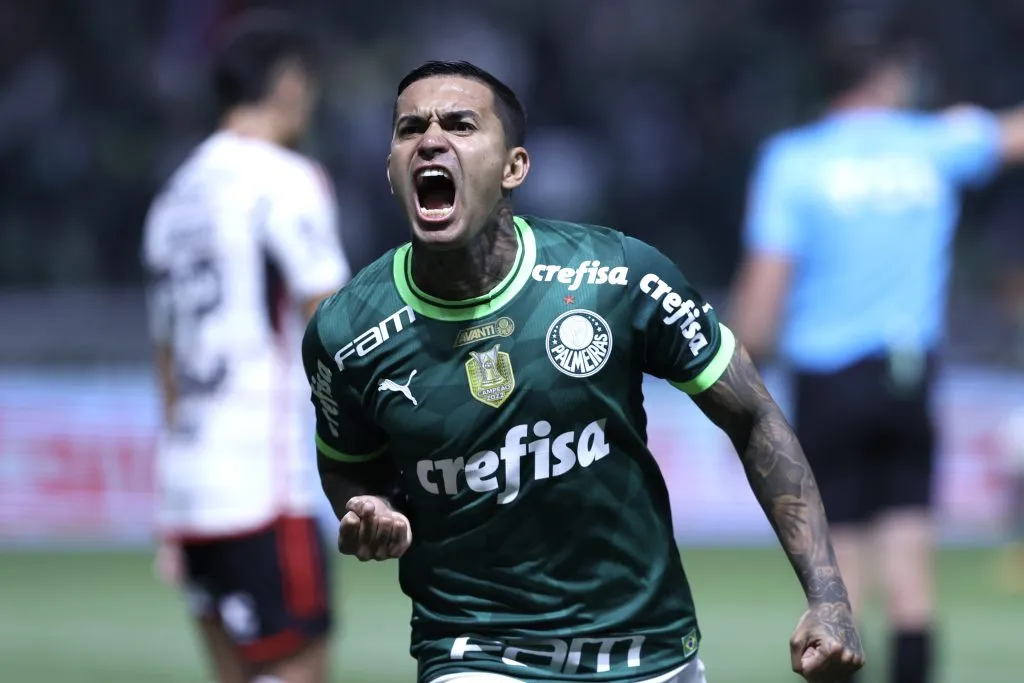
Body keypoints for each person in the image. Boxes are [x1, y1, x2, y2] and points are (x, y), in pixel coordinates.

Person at [302, 59, 864, 683]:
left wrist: (829, 597)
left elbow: (754, 415)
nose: (431, 140)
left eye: (460, 124)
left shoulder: (619, 276)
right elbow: (344, 462)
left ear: (514, 166)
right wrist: (365, 505)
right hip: (474, 651)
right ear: (391, 170)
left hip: (649, 654)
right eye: (410, 129)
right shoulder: (346, 332)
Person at [728, 15, 1024, 683]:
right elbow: (1013, 136)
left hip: (827, 376)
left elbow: (766, 286)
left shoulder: (794, 159)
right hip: (905, 371)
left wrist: (742, 379)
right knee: (913, 570)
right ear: (888, 77)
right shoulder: (931, 143)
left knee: (840, 578)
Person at [142, 11, 349, 683]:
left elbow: (166, 358)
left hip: (190, 480)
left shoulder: (173, 200)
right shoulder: (282, 179)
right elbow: (331, 316)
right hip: (261, 481)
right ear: (288, 85)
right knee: (298, 669)